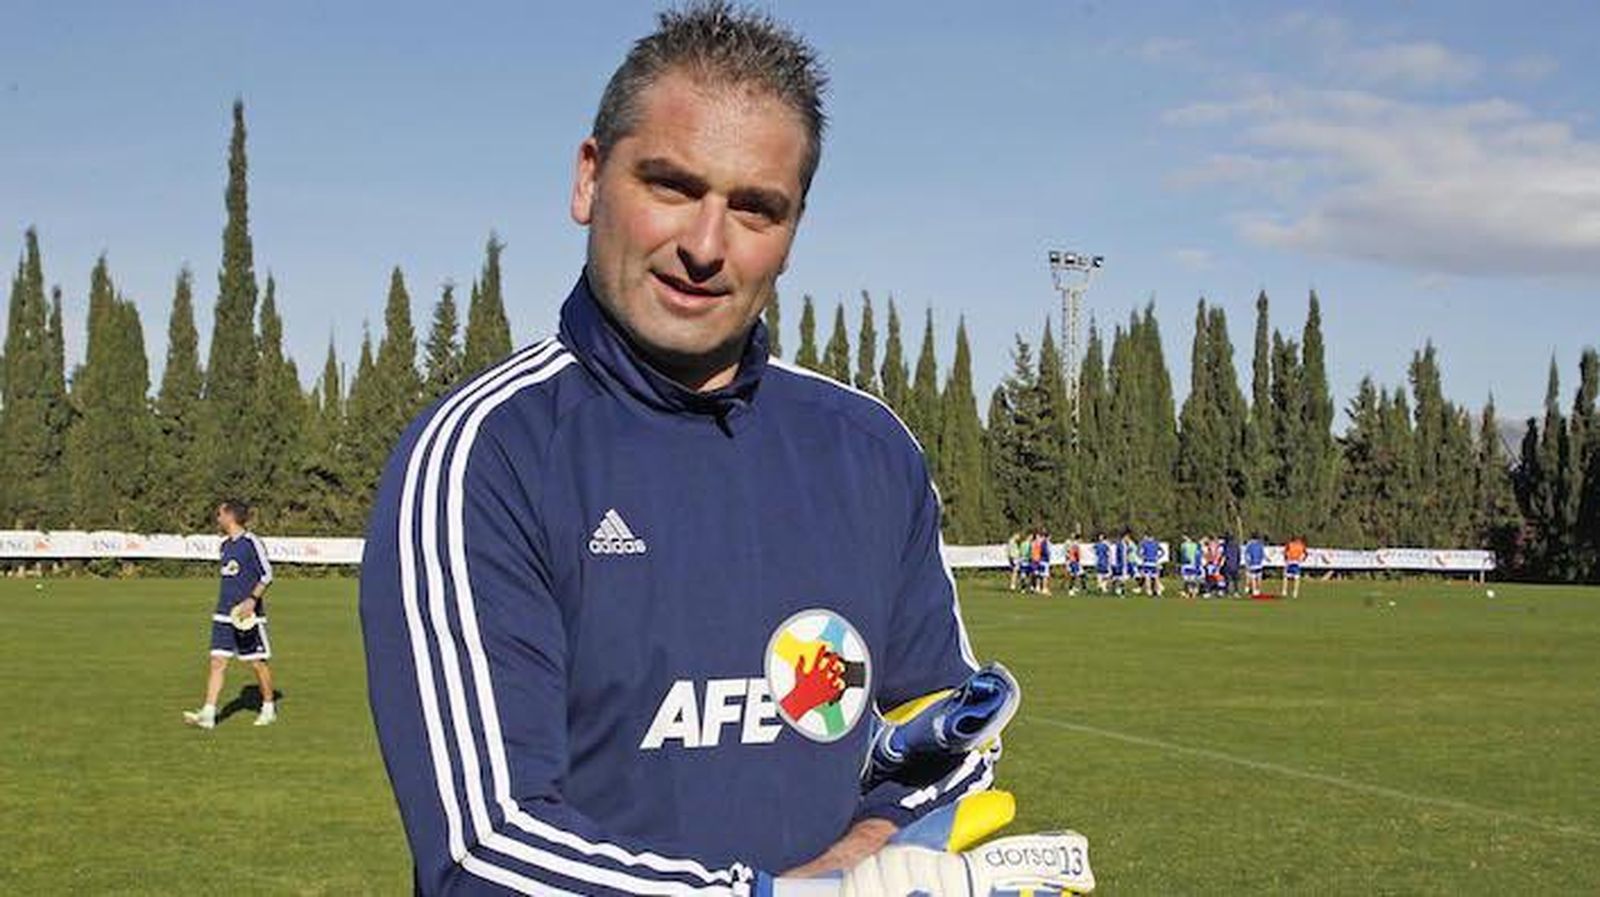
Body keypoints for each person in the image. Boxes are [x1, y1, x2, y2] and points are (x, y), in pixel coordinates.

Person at [357, 6, 1038, 894]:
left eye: (755, 208)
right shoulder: (486, 456)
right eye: (672, 186)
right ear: (589, 180)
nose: (705, 247)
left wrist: (854, 861)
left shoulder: (869, 451)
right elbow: (488, 851)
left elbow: (942, 737)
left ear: (793, 234)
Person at [183, 499, 276, 730]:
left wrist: (252, 600)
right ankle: (209, 713)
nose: (217, 518)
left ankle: (268, 707)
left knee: (256, 663)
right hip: (224, 613)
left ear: (230, 516)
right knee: (217, 661)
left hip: (247, 615)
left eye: (219, 513)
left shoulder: (251, 542)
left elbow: (267, 574)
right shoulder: (224, 546)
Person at [1138, 531, 1163, 597]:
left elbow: (1139, 552)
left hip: (1146, 562)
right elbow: (1162, 552)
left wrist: (1143, 557)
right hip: (1154, 562)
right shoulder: (1156, 543)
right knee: (1156, 577)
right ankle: (1158, 591)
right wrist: (1158, 557)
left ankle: (1149, 591)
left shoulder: (1144, 543)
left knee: (1147, 577)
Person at [1179, 534, 1201, 598]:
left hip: (1187, 564)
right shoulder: (1195, 545)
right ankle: (1191, 592)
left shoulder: (1184, 545)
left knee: (1188, 580)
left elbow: (1183, 554)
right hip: (1192, 564)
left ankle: (1190, 592)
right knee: (1190, 579)